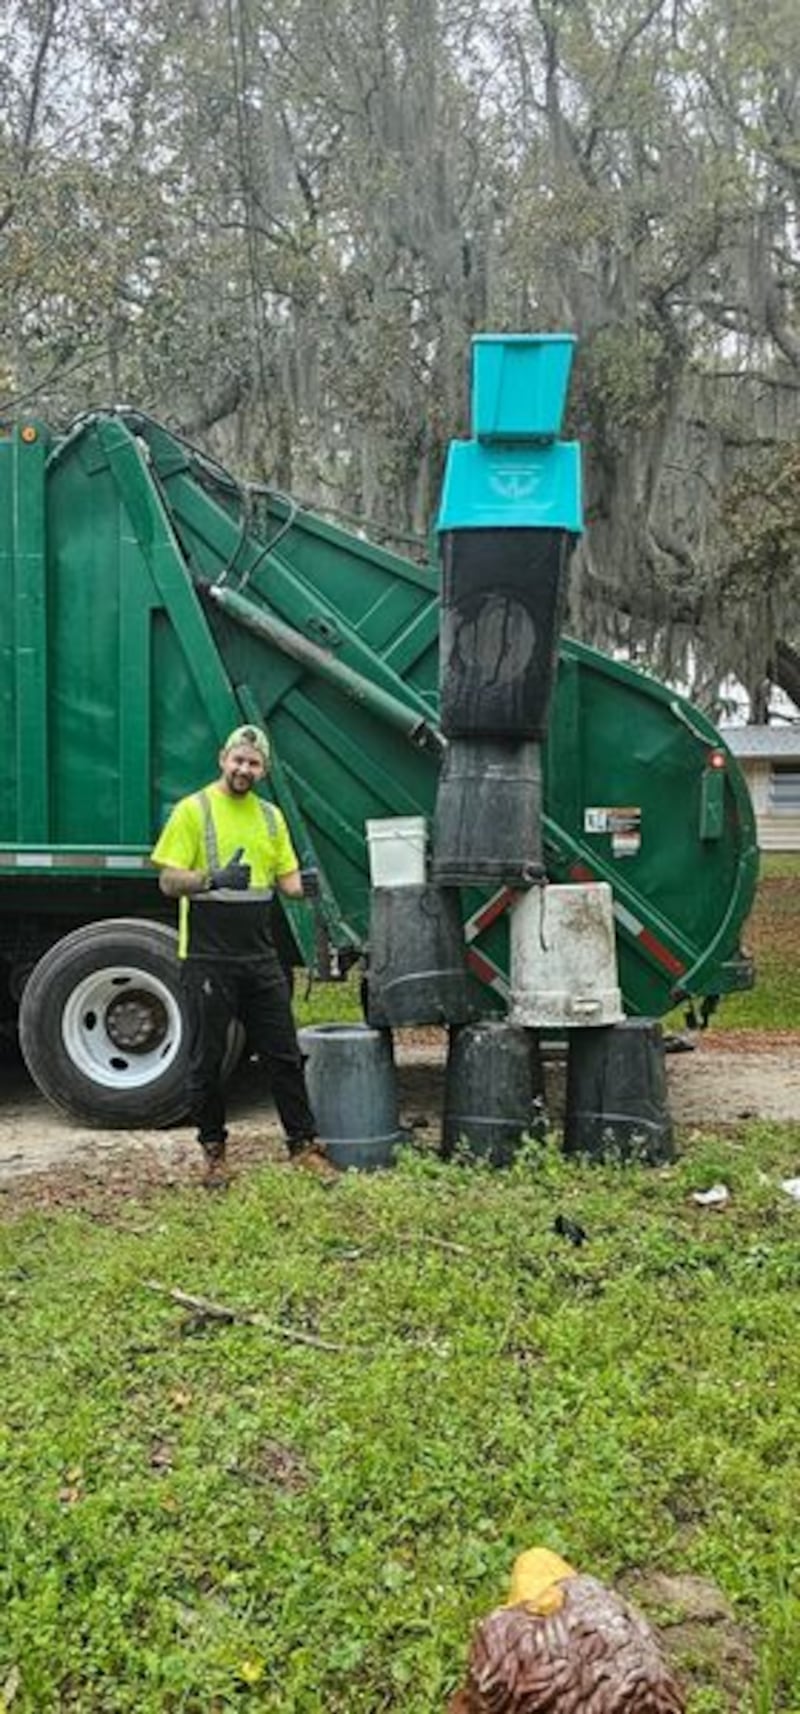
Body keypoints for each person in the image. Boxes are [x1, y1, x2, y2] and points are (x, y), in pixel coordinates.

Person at [151, 724, 336, 1187]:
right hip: (208, 959)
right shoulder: (194, 811)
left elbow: (287, 882)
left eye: (253, 763)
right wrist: (212, 879)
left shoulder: (271, 817)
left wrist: (306, 887)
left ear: (264, 769)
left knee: (284, 1056)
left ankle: (303, 1147)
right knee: (207, 1061)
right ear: (222, 758)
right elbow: (168, 882)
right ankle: (214, 1154)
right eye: (238, 760)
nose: (244, 769)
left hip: (258, 959)